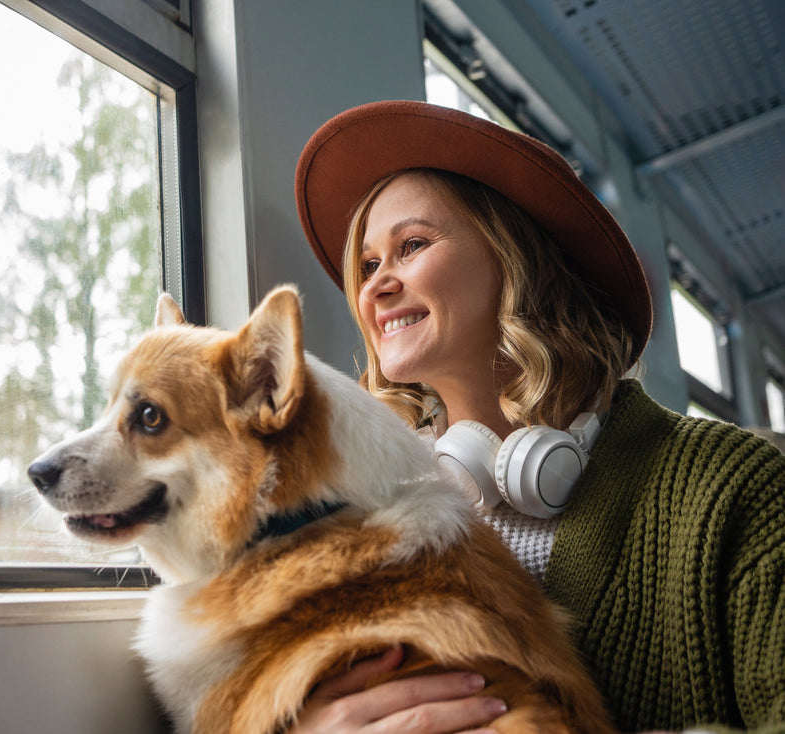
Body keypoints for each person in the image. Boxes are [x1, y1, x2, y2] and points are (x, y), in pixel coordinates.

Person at [288, 100, 785, 734]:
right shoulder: (362, 520)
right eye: (367, 265)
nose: (376, 286)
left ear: (518, 259)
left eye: (410, 246)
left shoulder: (732, 484)